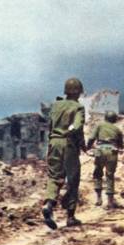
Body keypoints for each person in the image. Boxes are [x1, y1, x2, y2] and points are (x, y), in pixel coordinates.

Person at [42, 77, 86, 229]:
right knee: (73, 179)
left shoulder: (55, 105)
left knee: (54, 176)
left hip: (54, 142)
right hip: (68, 144)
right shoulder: (78, 107)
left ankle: (49, 204)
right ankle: (70, 216)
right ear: (78, 92)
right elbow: (78, 127)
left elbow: (50, 126)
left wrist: (52, 140)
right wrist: (81, 143)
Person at [87, 111, 124, 209]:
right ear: (114, 119)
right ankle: (110, 202)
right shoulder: (117, 129)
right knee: (110, 175)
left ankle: (99, 198)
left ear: (105, 117)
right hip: (112, 151)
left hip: (100, 150)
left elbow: (91, 138)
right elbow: (121, 145)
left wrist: (87, 147)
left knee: (97, 173)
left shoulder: (99, 126)